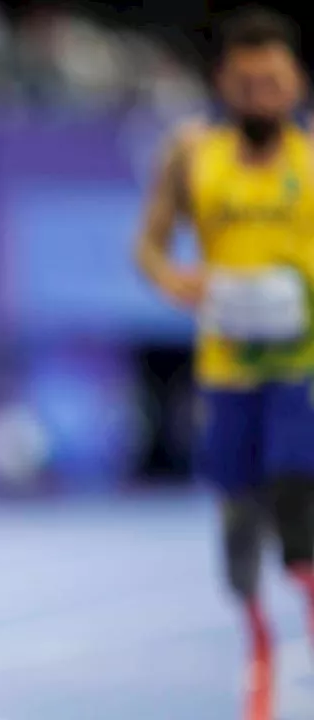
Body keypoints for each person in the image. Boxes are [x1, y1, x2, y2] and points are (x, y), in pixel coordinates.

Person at [134, 8, 314, 720]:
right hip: (226, 369)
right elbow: (149, 245)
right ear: (224, 84)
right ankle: (260, 647)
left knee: (298, 500)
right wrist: (173, 278)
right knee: (239, 527)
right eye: (246, 83)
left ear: (295, 81)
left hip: (301, 367)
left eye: (272, 83)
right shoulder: (191, 154)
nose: (260, 96)